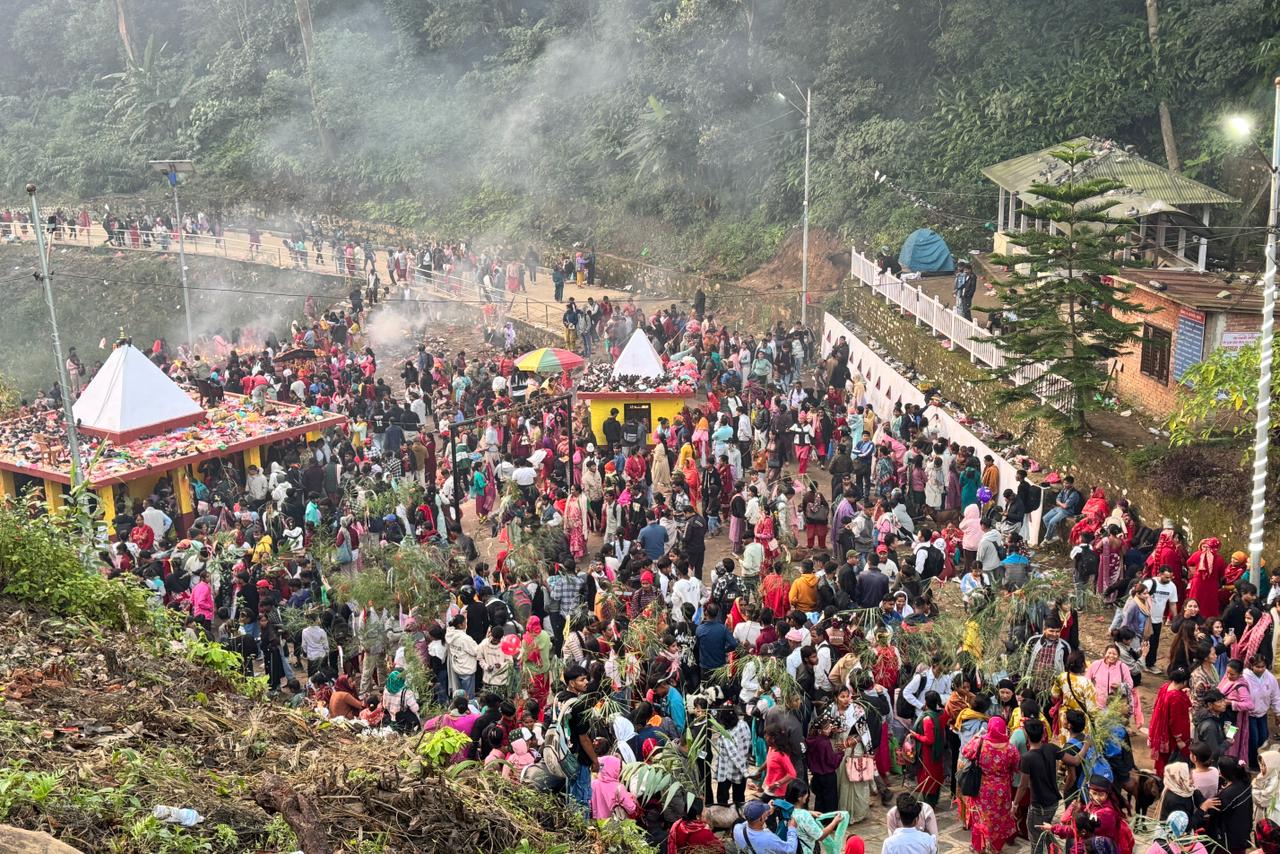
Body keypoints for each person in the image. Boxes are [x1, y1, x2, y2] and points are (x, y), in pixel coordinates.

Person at [961, 715, 1021, 854]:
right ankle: (995, 848)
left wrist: (977, 736)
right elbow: (1017, 767)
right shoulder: (1010, 748)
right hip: (1002, 791)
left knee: (980, 817)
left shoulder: (979, 743)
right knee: (999, 819)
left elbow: (965, 752)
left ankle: (978, 847)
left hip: (982, 789)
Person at [733, 800, 798, 854]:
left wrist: (766, 814)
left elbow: (750, 821)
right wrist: (792, 829)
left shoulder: (737, 829)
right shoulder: (769, 838)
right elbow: (790, 850)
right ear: (761, 818)